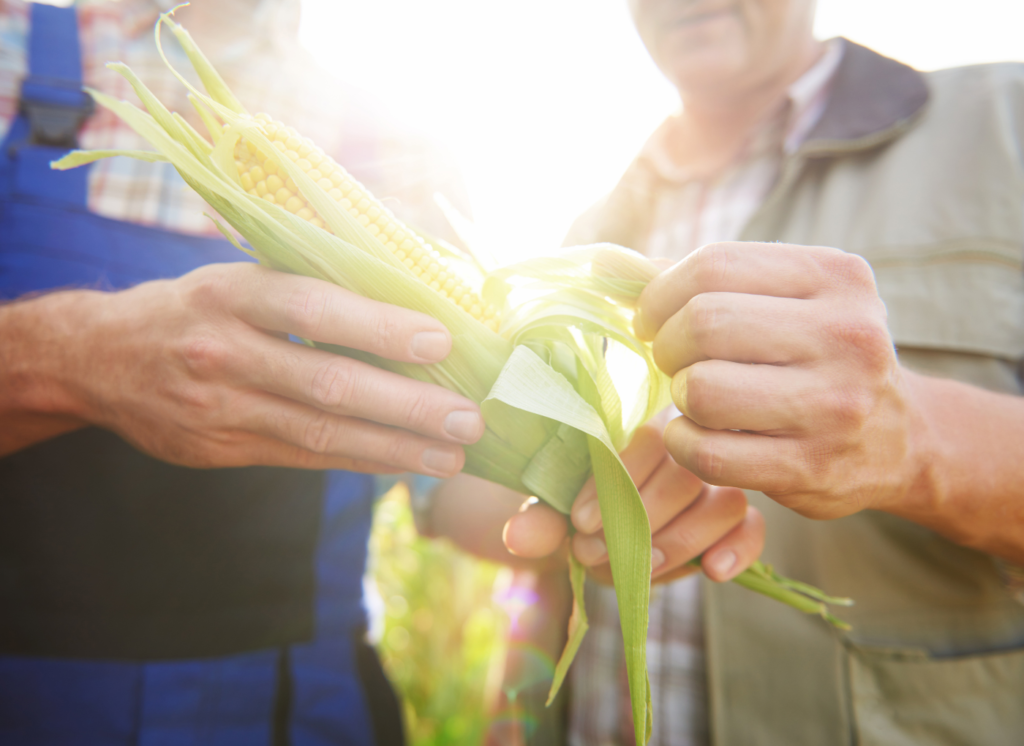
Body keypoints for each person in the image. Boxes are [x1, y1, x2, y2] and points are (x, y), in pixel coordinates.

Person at [434, 0, 1024, 743]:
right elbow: (477, 514)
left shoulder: (1006, 129)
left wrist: (916, 441)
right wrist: (590, 512)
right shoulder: (588, 232)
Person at [0, 1, 482, 744]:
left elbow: (451, 470)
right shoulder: (13, 50)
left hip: (297, 709)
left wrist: (600, 496)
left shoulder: (396, 142)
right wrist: (73, 355)